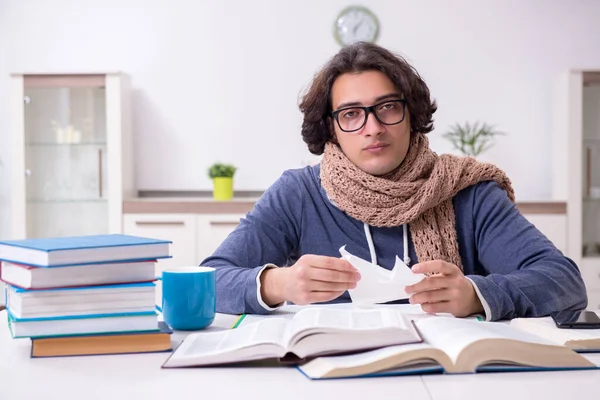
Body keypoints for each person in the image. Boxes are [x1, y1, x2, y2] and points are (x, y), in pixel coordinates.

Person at [201, 42, 587, 321]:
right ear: (331, 129)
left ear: (412, 114)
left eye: (387, 107)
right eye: (352, 114)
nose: (373, 128)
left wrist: (475, 294)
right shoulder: (298, 193)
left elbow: (564, 282)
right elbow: (209, 279)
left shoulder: (468, 192)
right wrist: (278, 284)